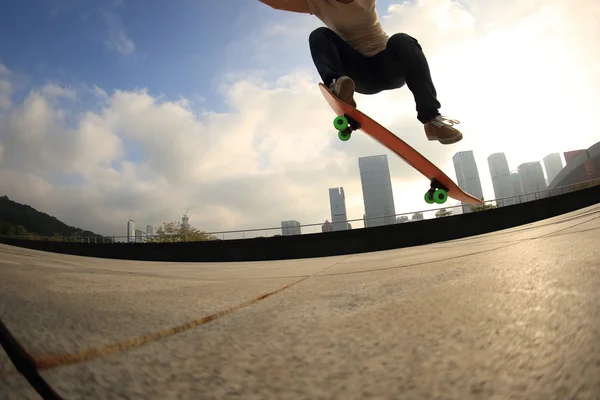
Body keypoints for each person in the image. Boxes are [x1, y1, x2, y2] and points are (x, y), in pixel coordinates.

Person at [257, 0, 463, 144]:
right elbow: (276, 1)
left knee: (402, 40)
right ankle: (337, 86)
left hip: (388, 66)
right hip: (358, 75)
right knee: (319, 35)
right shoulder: (317, 2)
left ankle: (431, 121)